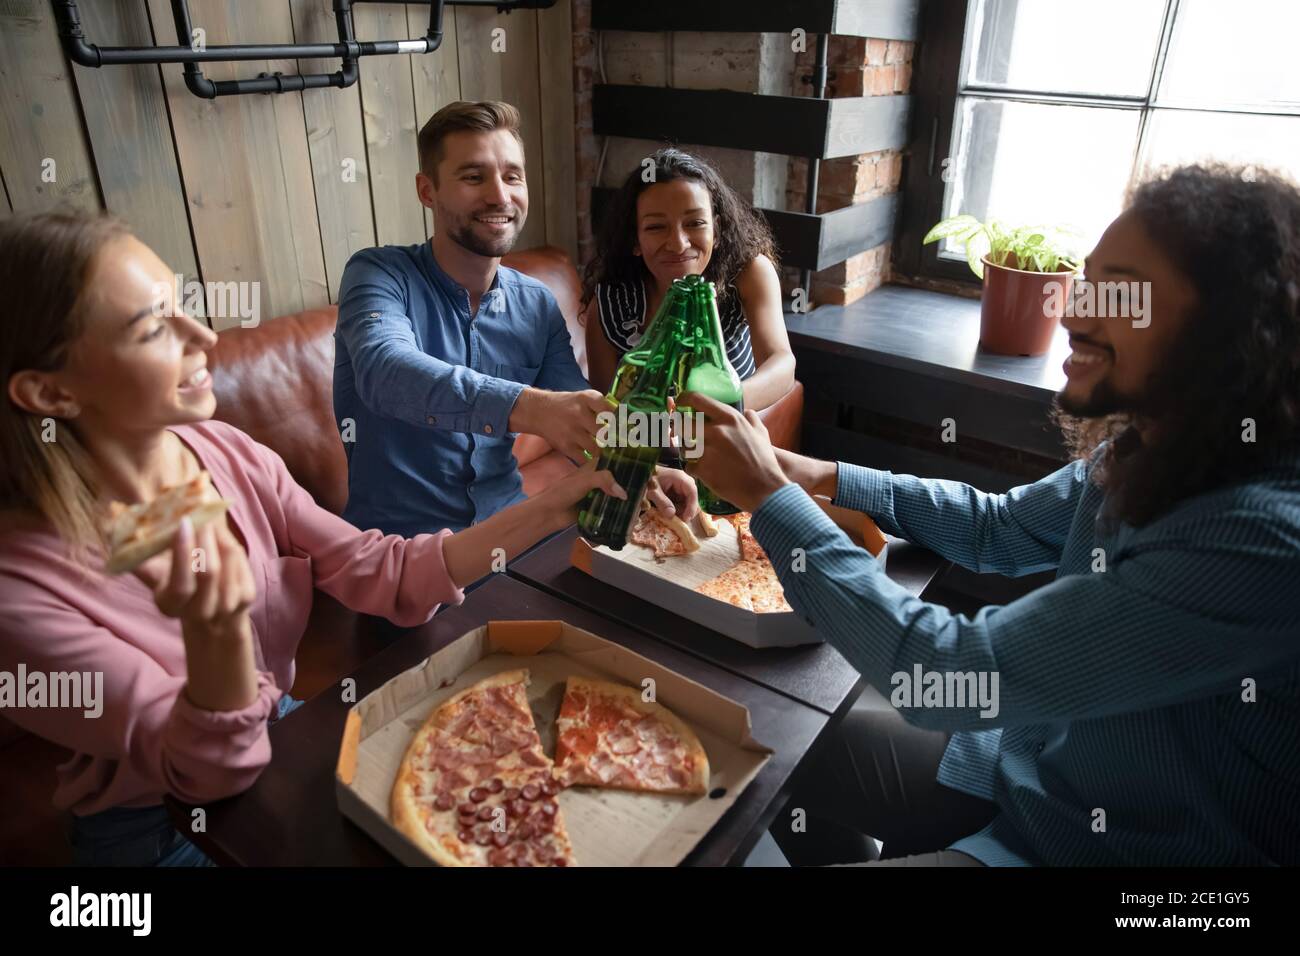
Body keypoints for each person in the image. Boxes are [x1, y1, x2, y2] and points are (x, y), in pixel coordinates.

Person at [684, 164, 1300, 866]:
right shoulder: (1155, 445)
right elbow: (996, 526)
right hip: (1023, 764)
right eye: (1086, 280)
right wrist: (815, 474)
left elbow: (941, 673)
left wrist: (770, 496)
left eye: (1121, 291)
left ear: (1231, 328)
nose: (1073, 312)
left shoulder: (1259, 543)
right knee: (768, 749)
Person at [0, 212, 629, 866]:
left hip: (289, 729)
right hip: (160, 830)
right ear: (49, 391)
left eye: (183, 306)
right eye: (153, 328)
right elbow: (211, 772)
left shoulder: (222, 449)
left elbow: (379, 570)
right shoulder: (17, 596)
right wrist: (215, 636)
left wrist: (557, 504)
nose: (203, 336)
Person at [334, 102, 694, 537]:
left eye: (512, 176)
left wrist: (644, 467)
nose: (500, 196)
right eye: (473, 177)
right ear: (427, 191)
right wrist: (529, 407)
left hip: (509, 533)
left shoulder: (535, 304)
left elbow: (578, 410)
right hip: (401, 554)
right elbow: (385, 371)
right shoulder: (378, 273)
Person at [581, 147, 795, 410]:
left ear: (717, 230)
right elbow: (605, 408)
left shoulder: (749, 274)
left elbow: (782, 363)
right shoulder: (608, 305)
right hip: (649, 442)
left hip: (731, 434)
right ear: (634, 239)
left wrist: (718, 409)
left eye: (695, 223)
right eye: (656, 227)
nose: (679, 244)